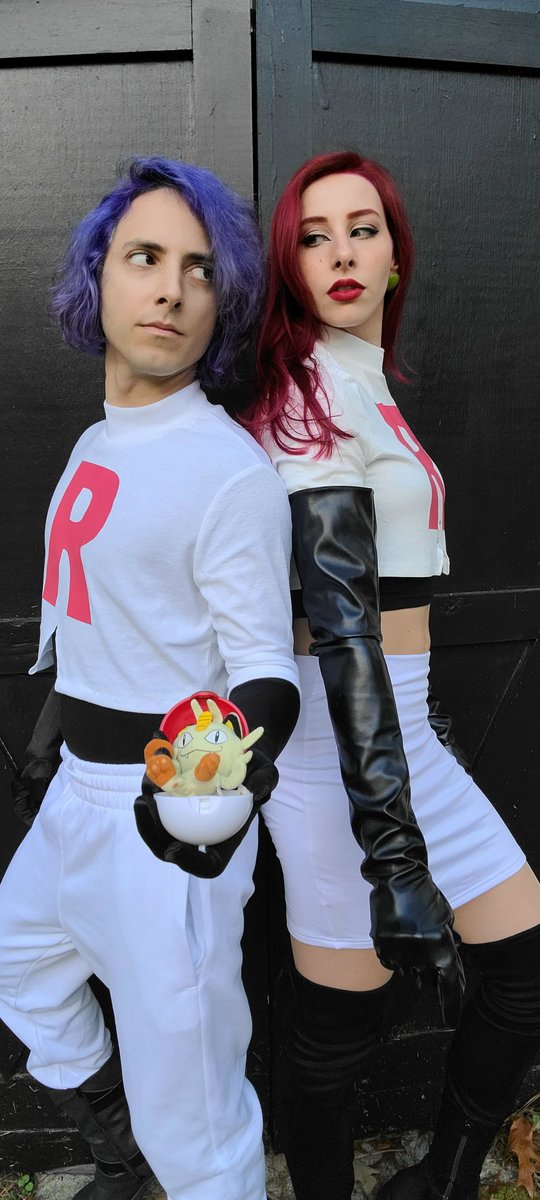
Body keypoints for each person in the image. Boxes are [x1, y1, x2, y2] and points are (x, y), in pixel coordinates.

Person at [241, 150, 540, 1200]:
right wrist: (393, 850)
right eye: (313, 237)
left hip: (400, 731)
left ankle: (441, 1182)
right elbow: (342, 630)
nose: (341, 253)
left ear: (396, 255)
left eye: (361, 229)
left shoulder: (366, 382)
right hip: (340, 751)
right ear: (289, 267)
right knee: (337, 1026)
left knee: (522, 967)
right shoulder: (305, 396)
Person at [0, 156, 300, 1200]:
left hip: (166, 821)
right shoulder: (99, 440)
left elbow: (267, 671)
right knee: (22, 969)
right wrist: (50, 752)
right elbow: (92, 623)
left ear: (223, 303)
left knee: (200, 1123)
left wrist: (215, 803)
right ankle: (126, 1163)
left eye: (199, 269)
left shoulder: (227, 472)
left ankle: (181, 1170)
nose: (171, 289)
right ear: (99, 278)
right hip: (72, 802)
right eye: (144, 258)